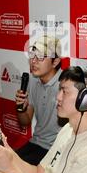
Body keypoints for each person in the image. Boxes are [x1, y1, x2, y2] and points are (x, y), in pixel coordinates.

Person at [14, 36, 63, 165]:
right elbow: (25, 121)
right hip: (36, 143)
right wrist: (21, 108)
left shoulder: (65, 84)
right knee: (5, 165)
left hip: (57, 150)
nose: (33, 61)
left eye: (40, 57)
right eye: (32, 55)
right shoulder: (33, 80)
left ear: (55, 61)